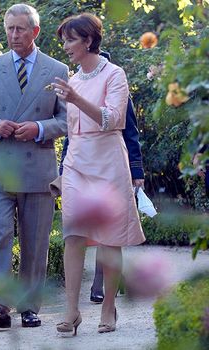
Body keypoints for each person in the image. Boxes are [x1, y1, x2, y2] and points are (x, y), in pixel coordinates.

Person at [0, 3, 68, 329]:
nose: (13, 35)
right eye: (9, 28)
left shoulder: (57, 70)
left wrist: (39, 128)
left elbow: (67, 120)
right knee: (0, 234)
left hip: (38, 168)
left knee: (36, 240)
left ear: (35, 31)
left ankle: (29, 306)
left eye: (20, 29)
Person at [53, 13, 145, 335]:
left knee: (109, 237)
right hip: (77, 163)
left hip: (108, 161)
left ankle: (108, 306)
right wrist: (61, 172)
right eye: (64, 40)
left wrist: (76, 99)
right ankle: (71, 310)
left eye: (69, 40)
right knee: (73, 234)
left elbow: (114, 119)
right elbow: (71, 133)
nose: (64, 46)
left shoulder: (115, 74)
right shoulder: (73, 80)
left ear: (88, 41)